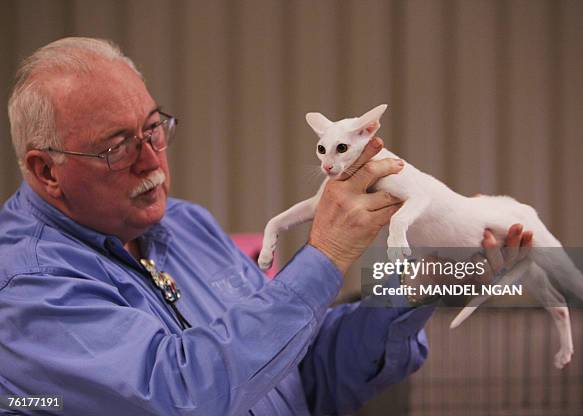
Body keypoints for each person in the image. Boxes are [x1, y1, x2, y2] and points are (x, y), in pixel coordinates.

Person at [0, 37, 532, 416]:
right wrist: (324, 255)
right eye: (117, 147)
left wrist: (417, 287)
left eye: (153, 129)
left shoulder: (187, 226)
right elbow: (177, 397)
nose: (152, 161)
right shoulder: (27, 286)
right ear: (47, 171)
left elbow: (306, 374)